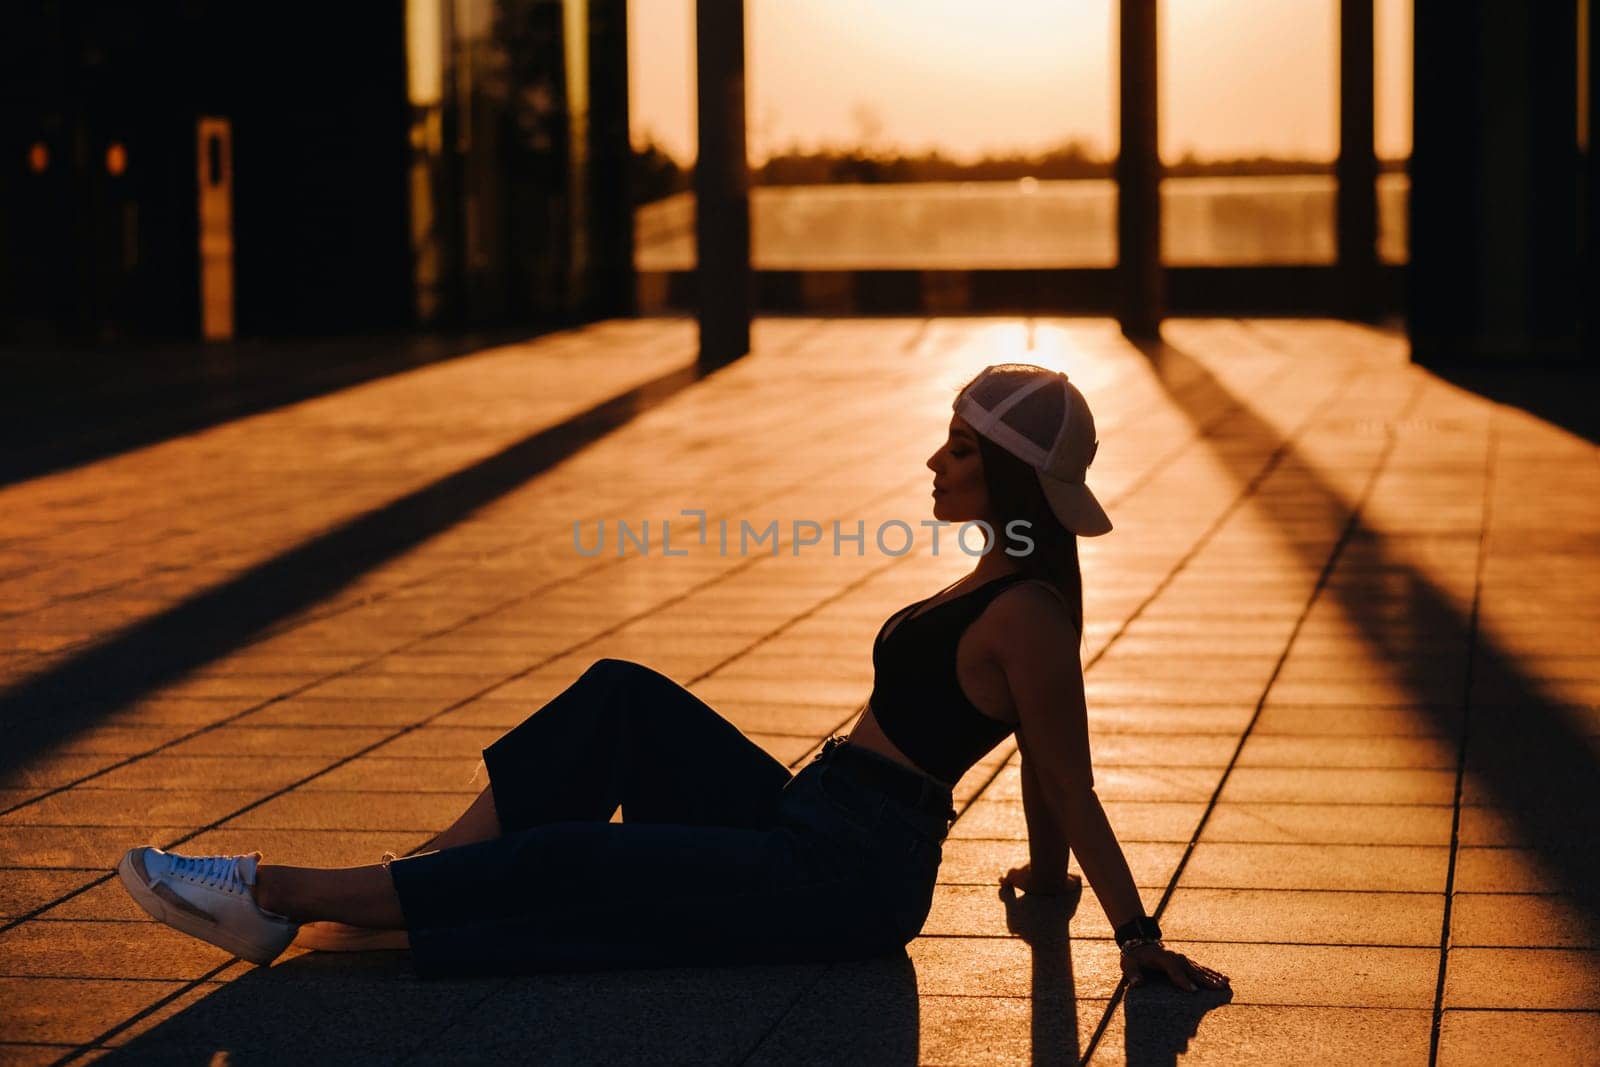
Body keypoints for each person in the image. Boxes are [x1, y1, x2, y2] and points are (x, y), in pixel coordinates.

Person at [117, 362, 1230, 993]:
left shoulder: (1028, 610)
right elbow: (1040, 761)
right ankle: (439, 868)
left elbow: (1064, 773)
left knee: (573, 856)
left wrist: (1131, 935)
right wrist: (1038, 882)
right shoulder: (1004, 568)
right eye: (944, 442)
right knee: (623, 692)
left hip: (848, 874)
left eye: (961, 449)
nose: (935, 462)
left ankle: (278, 891)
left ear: (1016, 472)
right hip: (814, 815)